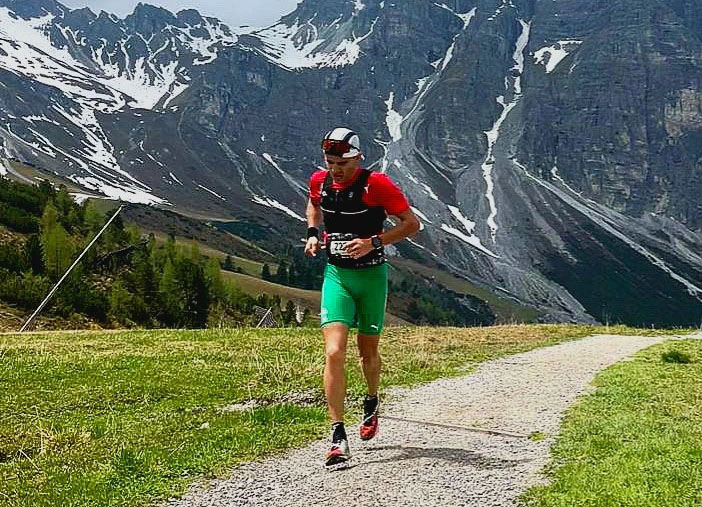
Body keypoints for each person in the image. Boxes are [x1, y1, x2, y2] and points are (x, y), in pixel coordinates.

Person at [304, 127, 420, 467]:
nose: (335, 169)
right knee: (334, 352)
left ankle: (371, 400)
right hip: (337, 276)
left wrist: (374, 242)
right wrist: (313, 234)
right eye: (330, 162)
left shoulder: (377, 185)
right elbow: (314, 204)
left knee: (367, 353)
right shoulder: (320, 182)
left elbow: (411, 224)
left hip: (372, 277)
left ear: (358, 158)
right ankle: (337, 435)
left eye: (342, 163)